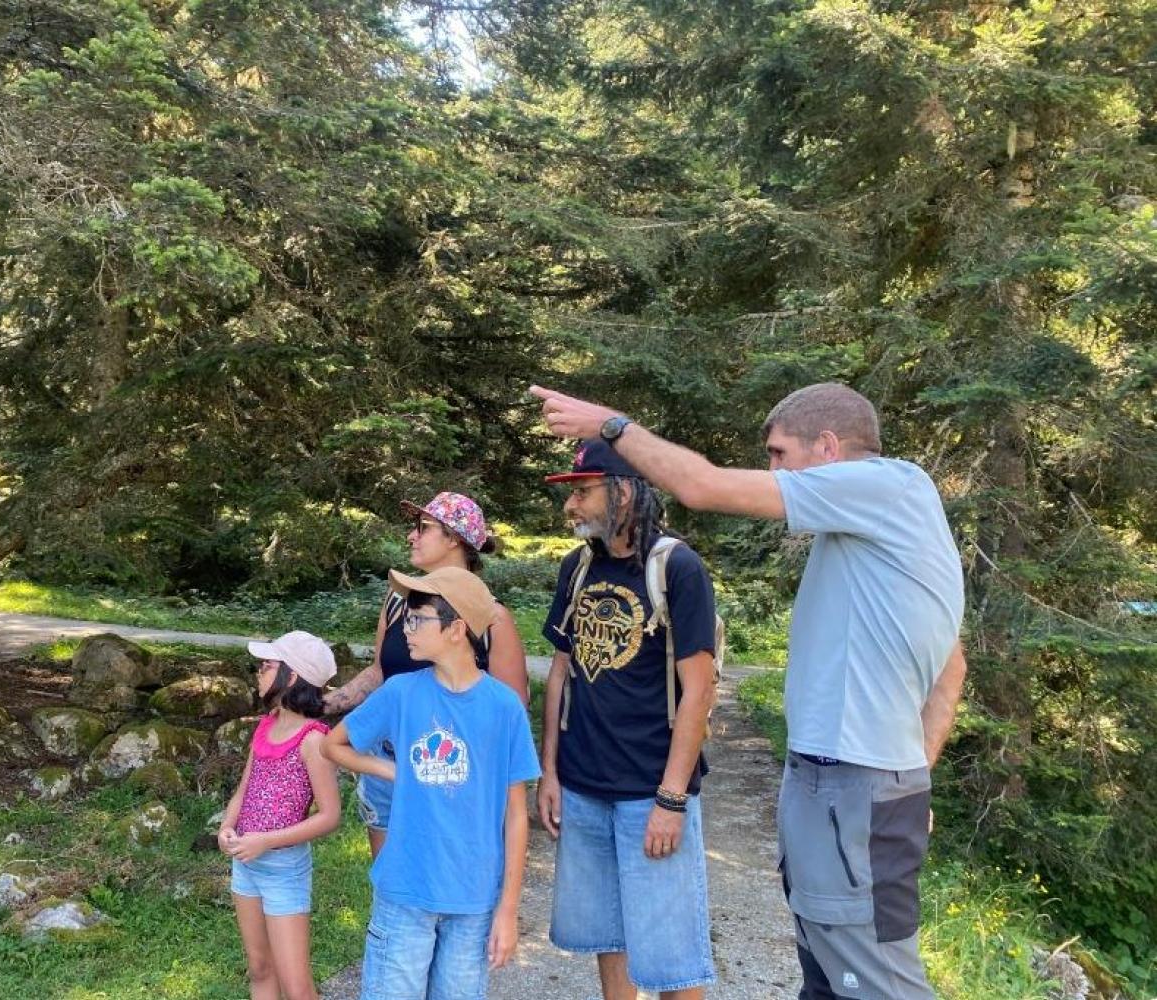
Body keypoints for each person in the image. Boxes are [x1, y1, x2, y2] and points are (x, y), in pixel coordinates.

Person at [532, 382, 967, 1000]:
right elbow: (953, 663)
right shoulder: (865, 535)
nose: (772, 472)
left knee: (872, 981)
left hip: (851, 783)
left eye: (778, 453)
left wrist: (612, 425)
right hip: (840, 783)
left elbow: (703, 487)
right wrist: (908, 777)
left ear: (827, 446)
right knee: (827, 974)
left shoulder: (889, 486)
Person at [536, 438, 720, 1000]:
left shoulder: (678, 569)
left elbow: (699, 691)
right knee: (605, 935)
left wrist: (671, 798)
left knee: (673, 956)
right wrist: (551, 771)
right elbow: (561, 673)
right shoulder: (579, 566)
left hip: (649, 791)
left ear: (623, 490)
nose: (571, 507)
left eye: (583, 492)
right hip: (584, 786)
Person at [323, 567, 540, 1000]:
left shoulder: (504, 708)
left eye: (417, 618)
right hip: (405, 891)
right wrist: (391, 771)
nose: (406, 628)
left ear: (456, 629)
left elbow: (516, 815)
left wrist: (508, 911)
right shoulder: (401, 692)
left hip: (474, 901)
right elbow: (336, 744)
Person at [323, 491, 529, 858]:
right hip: (389, 768)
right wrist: (320, 704)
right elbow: (379, 672)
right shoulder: (397, 600)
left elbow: (511, 715)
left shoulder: (492, 618)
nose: (411, 535)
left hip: (453, 776)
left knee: (455, 885)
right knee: (393, 889)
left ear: (455, 538)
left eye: (424, 527)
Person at [220, 630, 342, 1000]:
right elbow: (244, 790)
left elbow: (330, 816)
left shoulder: (313, 740)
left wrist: (266, 841)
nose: (258, 672)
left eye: (267, 666)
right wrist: (228, 826)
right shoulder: (266, 726)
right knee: (259, 967)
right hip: (246, 864)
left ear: (293, 677)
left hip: (283, 870)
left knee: (296, 985)